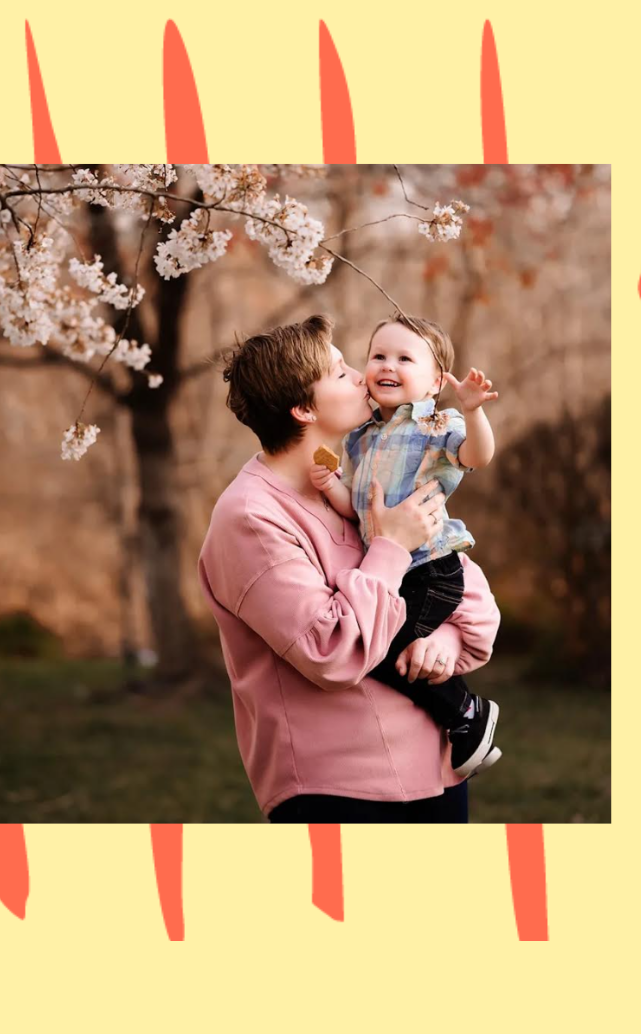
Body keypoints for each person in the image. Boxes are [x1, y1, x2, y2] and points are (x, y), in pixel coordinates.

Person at [196, 313, 501, 823]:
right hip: (340, 791)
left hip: (438, 773)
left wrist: (440, 646)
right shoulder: (250, 517)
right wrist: (390, 548)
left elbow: (475, 607)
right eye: (341, 373)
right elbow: (329, 651)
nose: (363, 375)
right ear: (302, 408)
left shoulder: (361, 484)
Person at [308, 312, 502, 779]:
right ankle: (461, 716)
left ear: (435, 381)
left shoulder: (437, 424)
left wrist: (473, 412)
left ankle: (466, 713)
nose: (387, 366)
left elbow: (477, 456)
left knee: (375, 646)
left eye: (404, 358)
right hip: (392, 565)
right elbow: (359, 507)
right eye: (378, 356)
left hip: (431, 565)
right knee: (383, 646)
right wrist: (330, 486)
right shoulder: (360, 437)